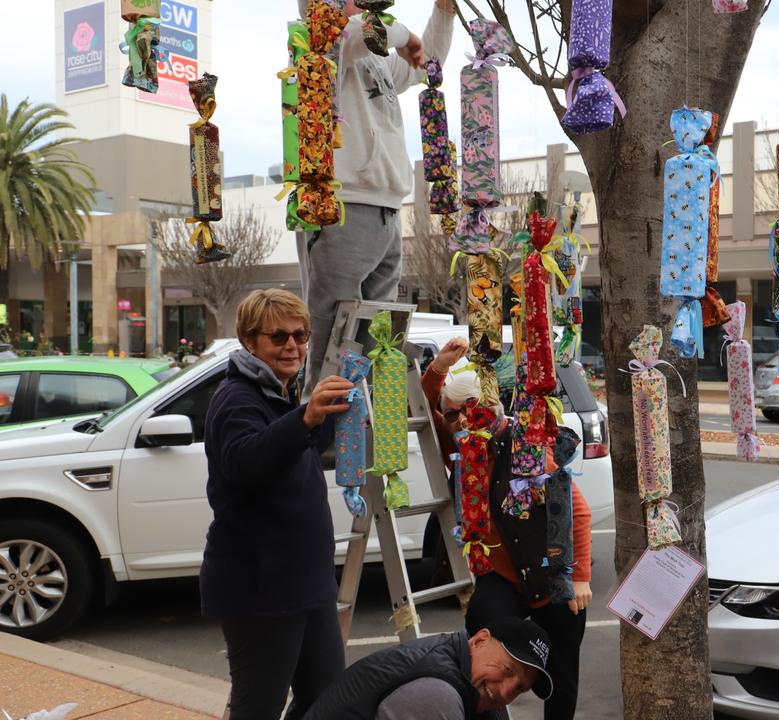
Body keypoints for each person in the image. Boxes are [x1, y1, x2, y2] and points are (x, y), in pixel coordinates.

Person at [201, 289, 355, 720]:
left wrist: (326, 416)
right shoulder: (236, 398)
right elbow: (246, 462)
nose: (293, 346)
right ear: (250, 342)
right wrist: (305, 418)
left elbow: (298, 449)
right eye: (279, 337)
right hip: (261, 589)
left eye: (301, 335)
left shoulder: (278, 391)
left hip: (307, 584)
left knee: (327, 700)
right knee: (259, 708)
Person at [423, 337, 593, 720]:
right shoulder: (463, 448)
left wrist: (579, 576)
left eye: (462, 413)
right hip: (501, 575)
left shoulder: (526, 447)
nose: (456, 422)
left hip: (552, 573)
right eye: (450, 416)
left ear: (482, 408)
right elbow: (425, 409)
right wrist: (437, 371)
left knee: (562, 667)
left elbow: (575, 512)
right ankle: (487, 713)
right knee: (482, 625)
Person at [301, 0, 456, 386]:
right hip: (344, 207)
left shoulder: (374, 56)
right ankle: (325, 447)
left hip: (386, 208)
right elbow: (356, 34)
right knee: (332, 349)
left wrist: (443, 12)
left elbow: (424, 62)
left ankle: (366, 441)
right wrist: (403, 35)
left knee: (375, 348)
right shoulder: (320, 41)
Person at [302, 616, 554, 720]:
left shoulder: (475, 682)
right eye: (507, 669)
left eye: (521, 688)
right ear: (479, 640)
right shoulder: (435, 696)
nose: (507, 691)